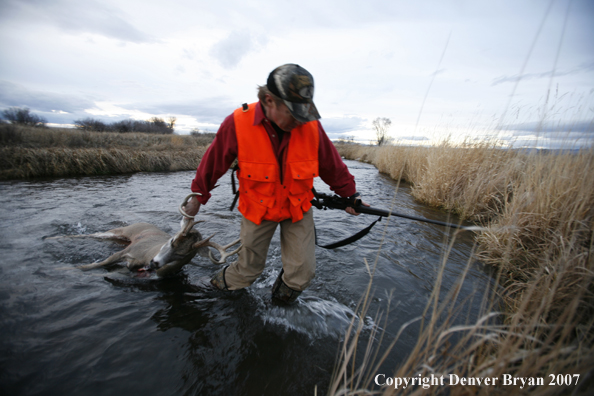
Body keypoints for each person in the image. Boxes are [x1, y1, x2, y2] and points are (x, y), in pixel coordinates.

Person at [183, 63, 367, 303]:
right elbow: (213, 162)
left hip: (297, 208)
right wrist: (197, 196)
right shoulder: (237, 122)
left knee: (302, 272)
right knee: (248, 270)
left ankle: (280, 305)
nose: (300, 121)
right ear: (269, 100)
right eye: (294, 113)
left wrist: (350, 196)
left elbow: (332, 166)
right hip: (257, 209)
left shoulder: (311, 126)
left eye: (304, 112)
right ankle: (213, 288)